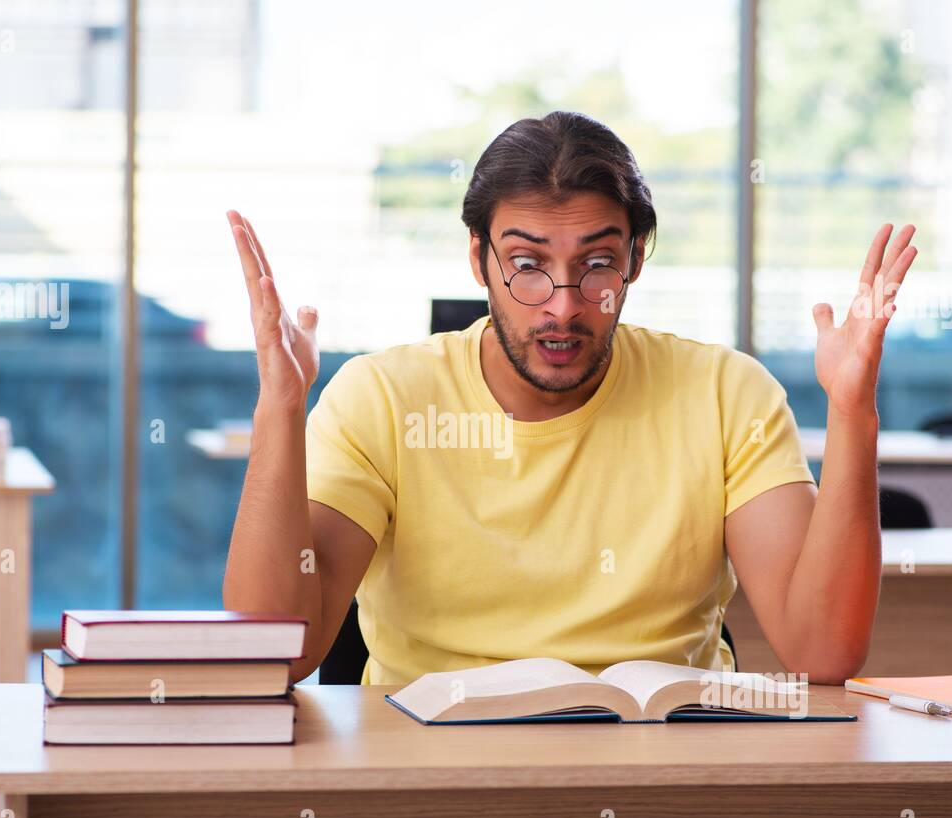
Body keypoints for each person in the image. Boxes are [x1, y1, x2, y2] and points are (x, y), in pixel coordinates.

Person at [223, 110, 916, 687]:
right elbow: (277, 650)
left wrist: (853, 409)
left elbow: (823, 652)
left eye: (596, 266)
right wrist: (279, 406)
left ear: (635, 260)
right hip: (433, 775)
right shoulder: (382, 396)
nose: (562, 306)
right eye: (527, 266)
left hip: (670, 771)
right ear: (479, 260)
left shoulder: (726, 393)